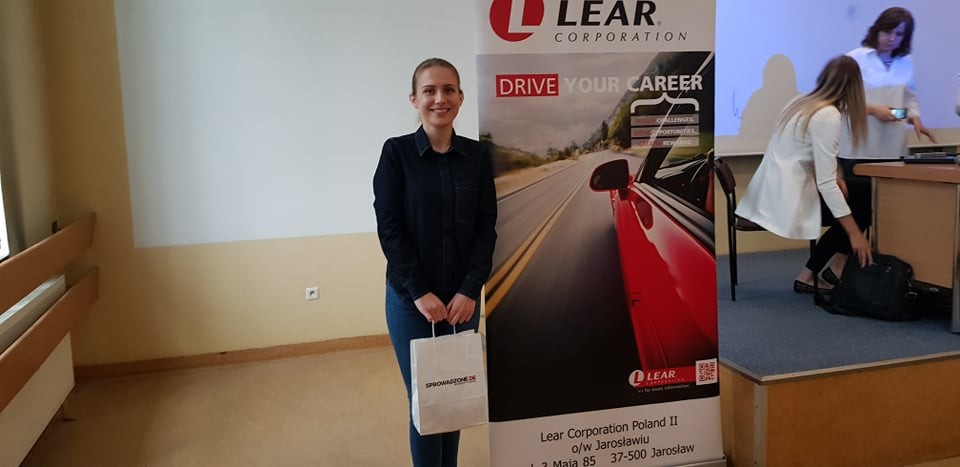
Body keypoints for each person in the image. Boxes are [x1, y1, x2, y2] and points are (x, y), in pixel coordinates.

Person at [373, 58, 497, 467]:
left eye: (448, 90)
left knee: (453, 399)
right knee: (426, 402)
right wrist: (419, 291)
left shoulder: (477, 156)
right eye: (429, 90)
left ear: (461, 97)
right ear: (414, 99)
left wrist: (470, 289)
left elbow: (486, 228)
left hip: (462, 303)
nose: (439, 98)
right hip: (412, 304)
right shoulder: (396, 154)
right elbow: (390, 229)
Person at [735, 56, 873, 293]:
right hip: (792, 202)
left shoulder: (800, 102)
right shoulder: (827, 115)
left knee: (862, 192)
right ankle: (831, 269)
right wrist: (855, 235)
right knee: (866, 200)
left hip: (776, 194)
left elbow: (818, 158)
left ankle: (820, 272)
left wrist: (838, 174)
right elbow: (827, 185)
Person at [824, 7, 936, 279]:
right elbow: (839, 99)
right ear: (877, 29)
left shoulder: (904, 62)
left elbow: (906, 101)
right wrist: (874, 110)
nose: (892, 39)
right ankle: (831, 268)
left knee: (883, 213)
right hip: (857, 147)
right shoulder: (856, 58)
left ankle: (860, 271)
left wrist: (914, 117)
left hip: (891, 150)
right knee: (857, 214)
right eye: (888, 32)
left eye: (899, 34)